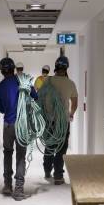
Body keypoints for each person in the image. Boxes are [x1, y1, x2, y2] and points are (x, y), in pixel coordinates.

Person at [0, 57, 37, 200]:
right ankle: (18, 189)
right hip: (21, 125)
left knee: (7, 153)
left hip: (8, 125)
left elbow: (1, 109)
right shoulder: (24, 82)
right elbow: (35, 97)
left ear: (1, 71)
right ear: (13, 69)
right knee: (20, 156)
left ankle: (7, 185)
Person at [42, 56, 78, 185]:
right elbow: (74, 102)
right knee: (61, 149)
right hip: (63, 121)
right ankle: (58, 176)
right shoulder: (70, 83)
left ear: (56, 67)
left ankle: (47, 170)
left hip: (49, 120)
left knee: (49, 146)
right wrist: (71, 114)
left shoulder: (47, 81)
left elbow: (39, 98)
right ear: (66, 68)